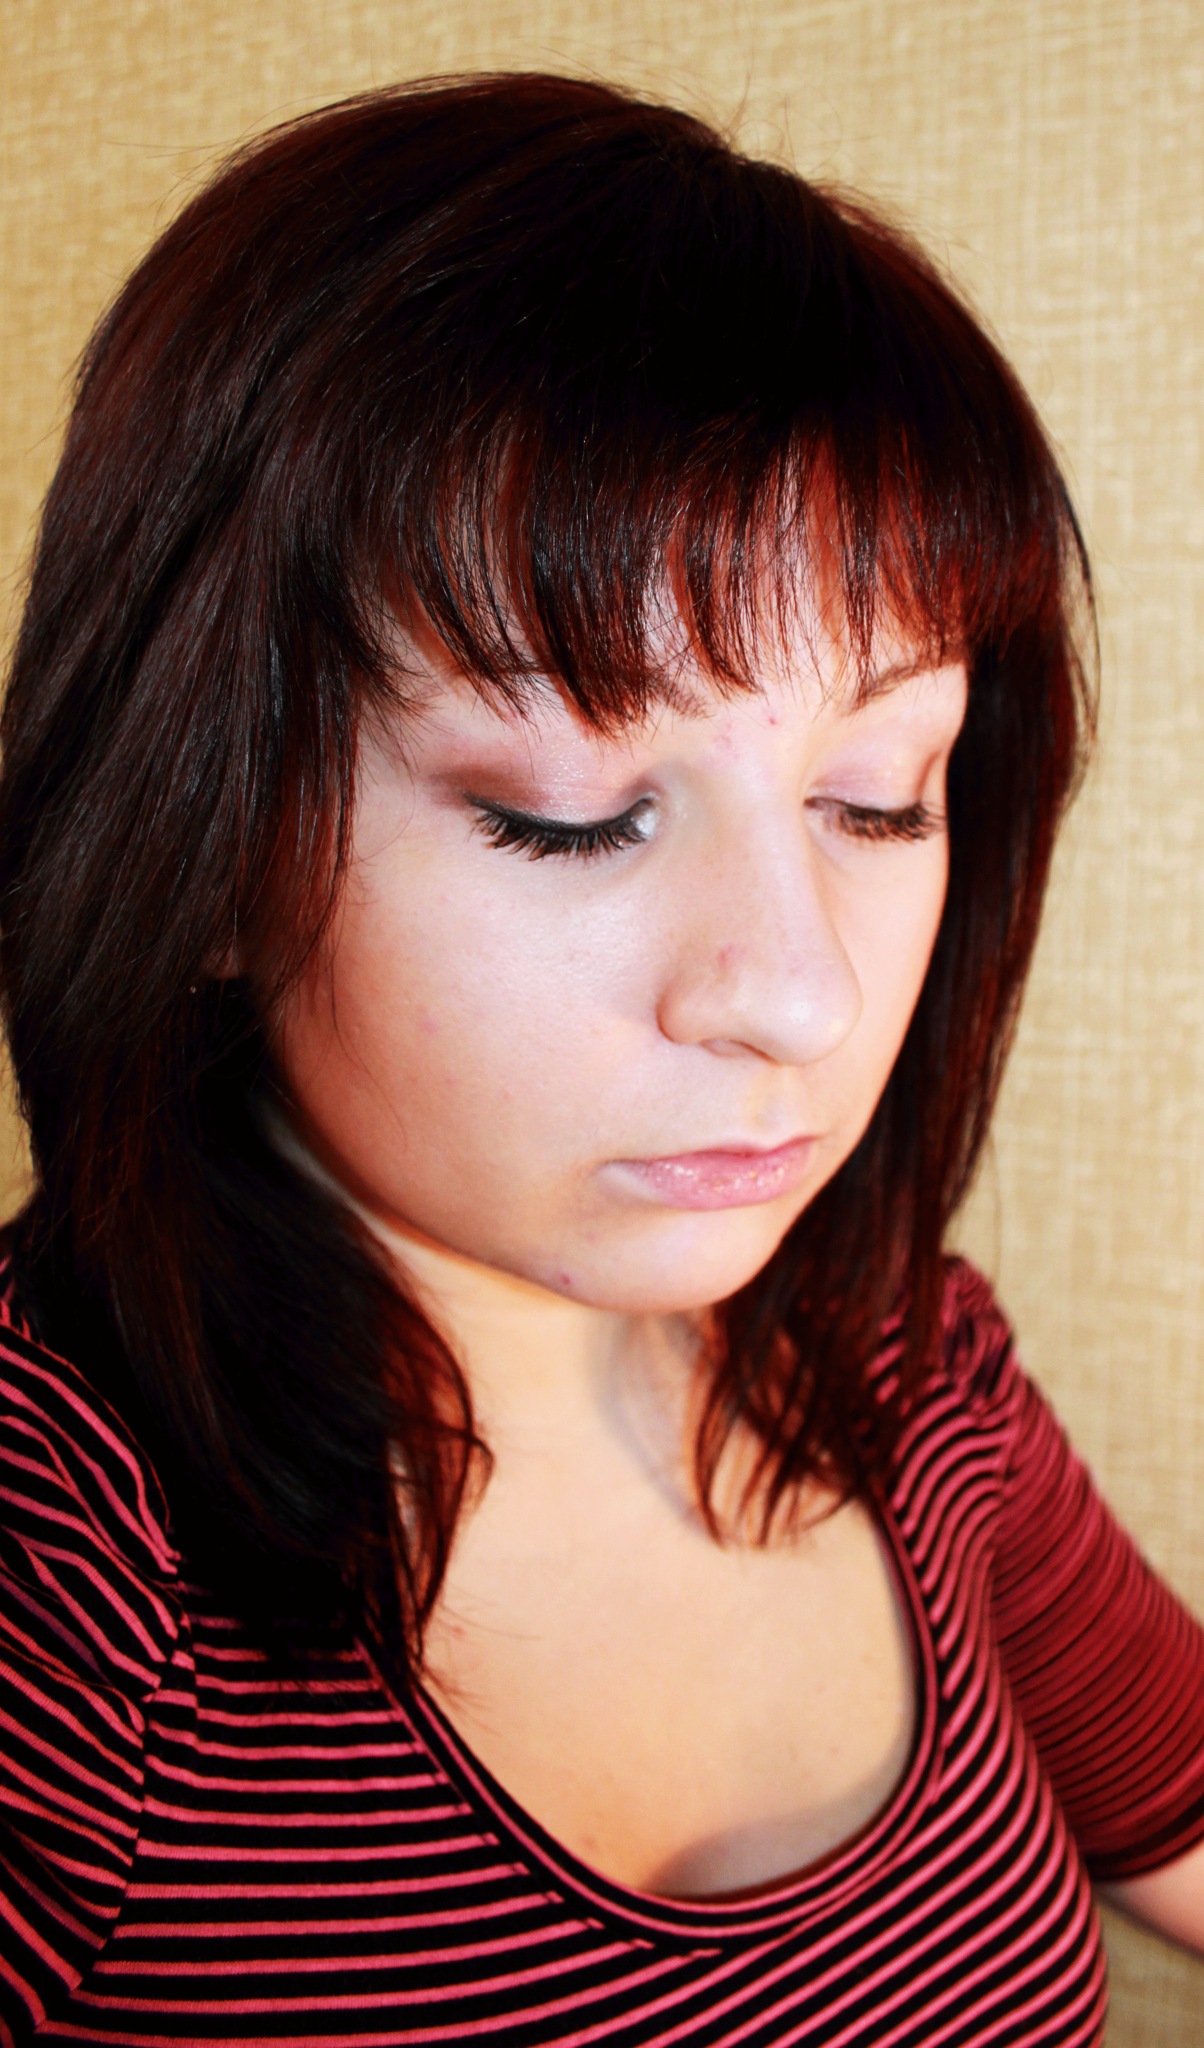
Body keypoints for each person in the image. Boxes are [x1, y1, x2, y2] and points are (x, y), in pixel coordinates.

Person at [0, 68, 1199, 2047]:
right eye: (571, 814)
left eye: (880, 796)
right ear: (198, 837)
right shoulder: (58, 1556)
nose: (796, 997)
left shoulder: (911, 1371)